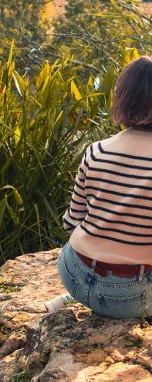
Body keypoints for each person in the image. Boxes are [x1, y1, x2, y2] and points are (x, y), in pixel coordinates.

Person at [58, 56, 152, 318]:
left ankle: (81, 299)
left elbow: (71, 221)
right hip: (132, 294)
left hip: (75, 276)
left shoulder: (96, 151)